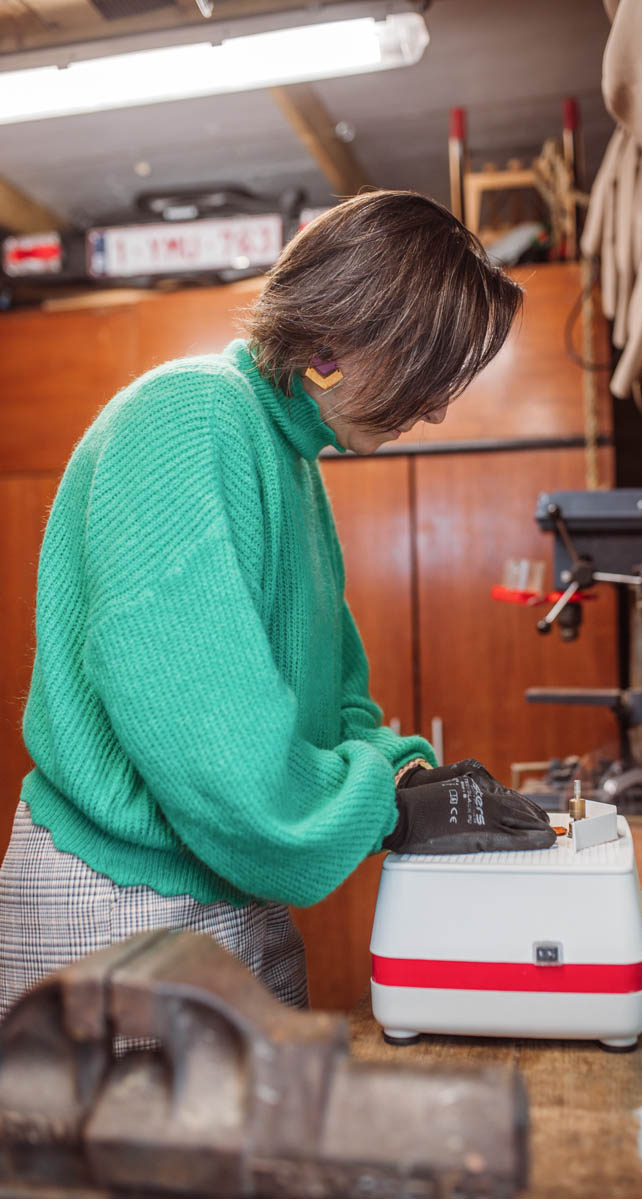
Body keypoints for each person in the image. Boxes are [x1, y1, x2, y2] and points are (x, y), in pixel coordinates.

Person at [0, 190, 555, 1020]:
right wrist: (386, 806)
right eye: (426, 374)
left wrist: (403, 769)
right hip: (121, 905)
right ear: (343, 331)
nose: (436, 407)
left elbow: (335, 698)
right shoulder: (188, 417)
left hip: (227, 885)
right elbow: (219, 752)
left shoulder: (293, 460)